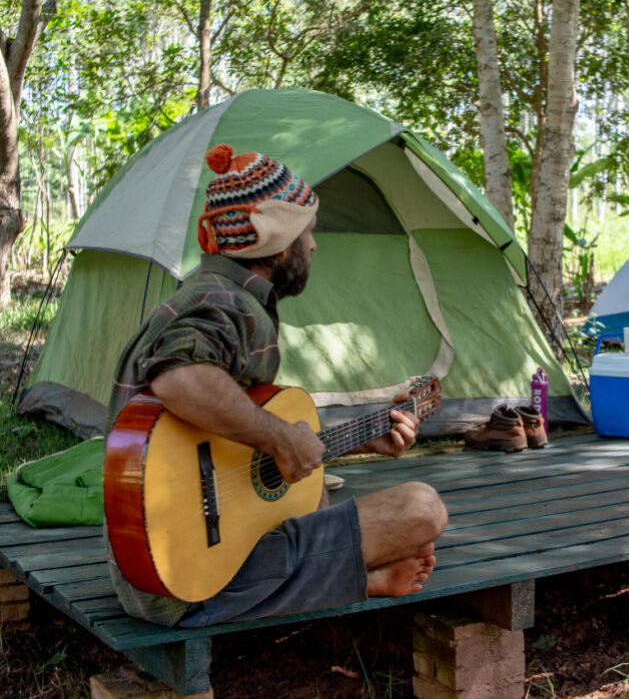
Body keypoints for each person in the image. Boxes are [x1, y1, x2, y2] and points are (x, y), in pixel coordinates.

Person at [104, 144, 448, 628]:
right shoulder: (227, 306)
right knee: (423, 509)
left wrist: (358, 439)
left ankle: (336, 577)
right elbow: (179, 377)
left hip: (154, 575)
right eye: (308, 232)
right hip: (187, 584)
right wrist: (284, 439)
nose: (314, 246)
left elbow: (234, 452)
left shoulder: (215, 293)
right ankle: (352, 579)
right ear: (277, 240)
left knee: (311, 491)